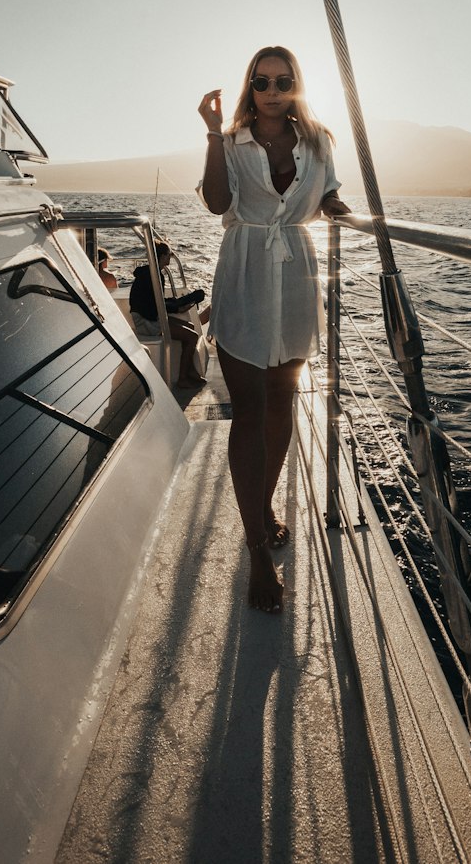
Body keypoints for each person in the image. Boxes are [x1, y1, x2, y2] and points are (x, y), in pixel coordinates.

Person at [198, 46, 349, 613]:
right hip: (244, 269)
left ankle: (260, 507)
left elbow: (328, 191)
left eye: (284, 80)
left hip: (295, 271)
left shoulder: (318, 141)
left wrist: (336, 208)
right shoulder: (233, 141)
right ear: (250, 87)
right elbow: (217, 203)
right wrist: (214, 133)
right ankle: (257, 547)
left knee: (282, 401)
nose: (272, 89)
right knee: (251, 406)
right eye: (261, 81)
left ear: (297, 85)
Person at [129, 242, 206, 389]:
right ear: (163, 256)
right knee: (192, 336)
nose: (170, 257)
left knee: (190, 327)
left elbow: (155, 302)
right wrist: (177, 308)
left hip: (149, 317)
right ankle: (183, 378)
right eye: (169, 254)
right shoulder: (154, 275)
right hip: (147, 322)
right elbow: (155, 306)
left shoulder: (150, 272)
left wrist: (177, 306)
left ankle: (191, 371)